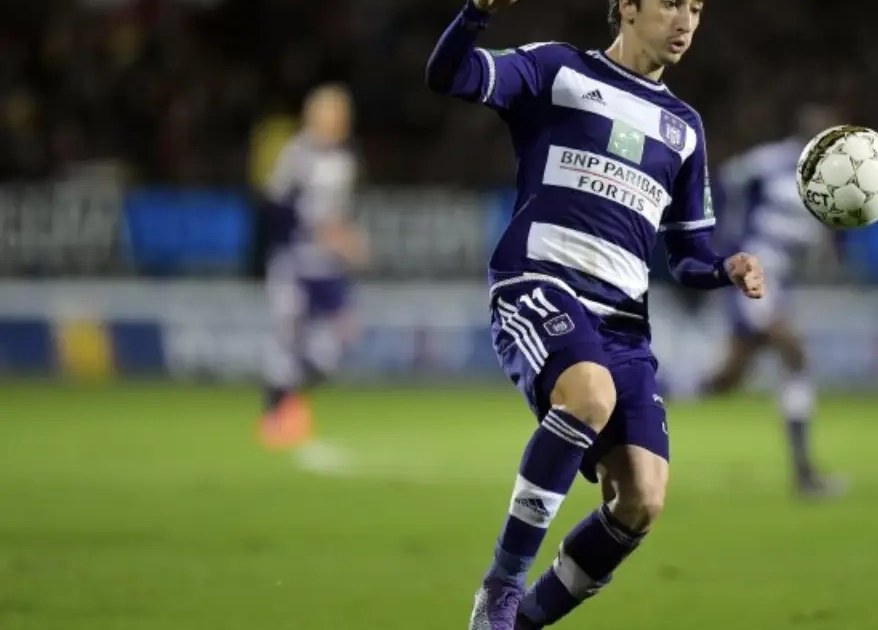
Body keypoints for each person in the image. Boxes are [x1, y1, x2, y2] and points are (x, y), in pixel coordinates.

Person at [425, 1, 765, 628]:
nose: (686, 21)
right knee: (588, 395)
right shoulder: (558, 71)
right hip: (540, 282)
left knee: (641, 499)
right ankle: (501, 587)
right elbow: (451, 75)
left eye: (696, 8)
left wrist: (726, 268)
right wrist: (475, 13)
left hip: (623, 324)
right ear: (627, 6)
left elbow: (687, 253)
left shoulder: (685, 128)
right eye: (671, 3)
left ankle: (516, 625)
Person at [700, 103, 847, 498]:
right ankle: (805, 475)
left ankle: (653, 392)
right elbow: (726, 180)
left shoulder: (829, 183)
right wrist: (722, 242)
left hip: (779, 282)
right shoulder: (772, 161)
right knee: (794, 354)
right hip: (753, 274)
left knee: (725, 380)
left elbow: (816, 238)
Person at [258, 85, 368, 451]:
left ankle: (289, 399)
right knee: (287, 338)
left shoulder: (345, 160)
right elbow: (278, 208)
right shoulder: (297, 155)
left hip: (328, 266)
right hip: (295, 262)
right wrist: (321, 233)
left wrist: (348, 239)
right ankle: (274, 415)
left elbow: (338, 213)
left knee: (342, 336)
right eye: (332, 112)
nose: (339, 120)